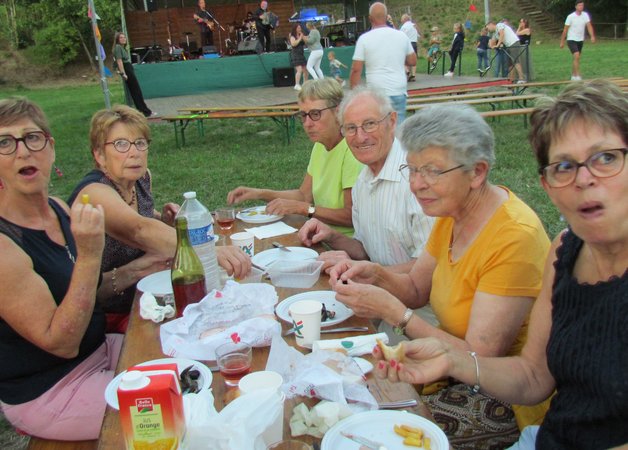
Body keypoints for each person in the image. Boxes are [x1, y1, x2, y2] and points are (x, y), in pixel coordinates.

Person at [374, 80, 628, 450]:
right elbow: (532, 376)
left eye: (606, 158)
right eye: (563, 166)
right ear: (547, 185)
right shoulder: (567, 250)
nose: (584, 179)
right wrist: (451, 360)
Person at [328, 103, 552, 448]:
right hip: (448, 371)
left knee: (370, 426)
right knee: (349, 393)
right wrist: (376, 274)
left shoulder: (513, 236)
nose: (417, 185)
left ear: (477, 172)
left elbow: (479, 358)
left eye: (432, 171)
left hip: (509, 398)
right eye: (412, 169)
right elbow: (417, 288)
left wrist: (394, 313)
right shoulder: (451, 211)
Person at [0, 98, 118, 439]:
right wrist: (91, 255)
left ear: (50, 147)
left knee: (188, 360)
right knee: (179, 403)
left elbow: (85, 291)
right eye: (5, 143)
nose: (22, 152)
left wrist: (144, 267)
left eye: (32, 138)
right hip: (53, 390)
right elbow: (60, 343)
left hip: (98, 352)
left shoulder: (58, 208)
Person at [67, 105, 251, 333]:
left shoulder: (141, 178)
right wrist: (207, 252)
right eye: (121, 144)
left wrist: (161, 219)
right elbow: (137, 230)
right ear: (100, 156)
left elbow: (140, 217)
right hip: (110, 315)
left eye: (140, 143)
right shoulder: (94, 193)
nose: (134, 153)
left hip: (152, 298)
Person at [298, 85, 436, 343]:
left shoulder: (417, 180)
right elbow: (364, 249)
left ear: (392, 121)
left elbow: (430, 270)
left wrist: (372, 275)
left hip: (424, 314)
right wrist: (332, 236)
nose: (360, 137)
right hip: (379, 299)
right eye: (350, 128)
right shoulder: (363, 180)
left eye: (369, 124)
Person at [227, 79, 364, 237]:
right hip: (318, 235)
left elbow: (351, 217)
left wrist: (302, 208)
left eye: (315, 114)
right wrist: (259, 193)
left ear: (338, 112)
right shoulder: (320, 144)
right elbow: (303, 195)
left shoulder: (352, 150)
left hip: (343, 246)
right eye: (303, 115)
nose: (307, 123)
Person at [350, 2, 416, 124]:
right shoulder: (401, 36)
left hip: (376, 92)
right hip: (398, 89)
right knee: (398, 128)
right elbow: (413, 61)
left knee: (377, 128)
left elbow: (356, 70)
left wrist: (353, 94)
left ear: (370, 19)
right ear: (387, 17)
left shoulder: (364, 39)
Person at [113, 32, 155, 118]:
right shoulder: (117, 47)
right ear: (117, 39)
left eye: (124, 37)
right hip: (126, 69)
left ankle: (144, 110)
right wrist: (123, 73)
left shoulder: (122, 48)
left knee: (137, 91)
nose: (123, 39)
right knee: (135, 91)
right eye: (121, 38)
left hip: (129, 67)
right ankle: (144, 111)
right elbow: (119, 61)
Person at [561, 1, 595, 81]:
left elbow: (589, 26)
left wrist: (592, 36)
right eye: (579, 5)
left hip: (580, 39)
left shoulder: (585, 15)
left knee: (576, 58)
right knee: (576, 56)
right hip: (571, 39)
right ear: (576, 6)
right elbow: (565, 30)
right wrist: (562, 41)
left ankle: (573, 76)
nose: (581, 6)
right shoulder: (571, 17)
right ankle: (578, 76)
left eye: (582, 5)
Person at [400, 14, 420, 82]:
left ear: (404, 20)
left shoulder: (404, 27)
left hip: (407, 43)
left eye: (402, 20)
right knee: (414, 59)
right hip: (414, 43)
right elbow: (419, 34)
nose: (401, 21)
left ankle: (408, 72)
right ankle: (413, 75)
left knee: (405, 59)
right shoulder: (414, 25)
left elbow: (401, 36)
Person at [289, 23, 308, 91]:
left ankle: (305, 83)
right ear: (295, 29)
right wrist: (300, 38)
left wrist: (303, 38)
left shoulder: (301, 35)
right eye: (298, 28)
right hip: (295, 54)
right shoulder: (292, 36)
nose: (300, 29)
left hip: (301, 54)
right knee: (299, 69)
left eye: (300, 28)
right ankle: (297, 84)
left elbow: (305, 43)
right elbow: (294, 44)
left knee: (305, 69)